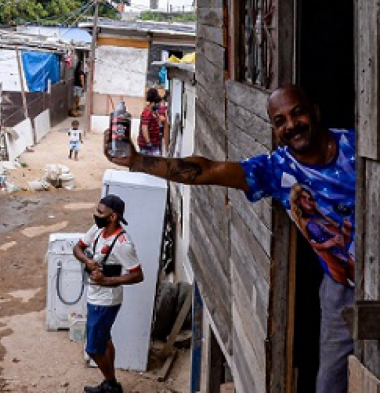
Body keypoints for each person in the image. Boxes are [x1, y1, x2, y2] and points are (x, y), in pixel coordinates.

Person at [103, 84, 356, 393]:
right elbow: (206, 170)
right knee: (331, 382)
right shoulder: (277, 170)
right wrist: (136, 161)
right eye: (280, 121)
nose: (291, 125)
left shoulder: (356, 148)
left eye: (297, 113)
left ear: (314, 112)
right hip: (340, 285)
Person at [72, 195, 144, 393]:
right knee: (105, 340)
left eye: (100, 212)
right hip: (94, 296)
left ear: (113, 217)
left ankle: (112, 384)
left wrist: (106, 281)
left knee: (93, 349)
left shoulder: (123, 243)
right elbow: (77, 248)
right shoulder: (97, 230)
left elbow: (137, 275)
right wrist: (87, 261)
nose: (96, 215)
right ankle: (110, 384)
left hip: (106, 301)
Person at [137, 88, 163, 156]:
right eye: (158, 104)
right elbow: (144, 128)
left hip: (155, 144)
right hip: (147, 146)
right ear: (153, 103)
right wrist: (148, 142)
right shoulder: (147, 113)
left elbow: (158, 123)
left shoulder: (154, 113)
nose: (159, 105)